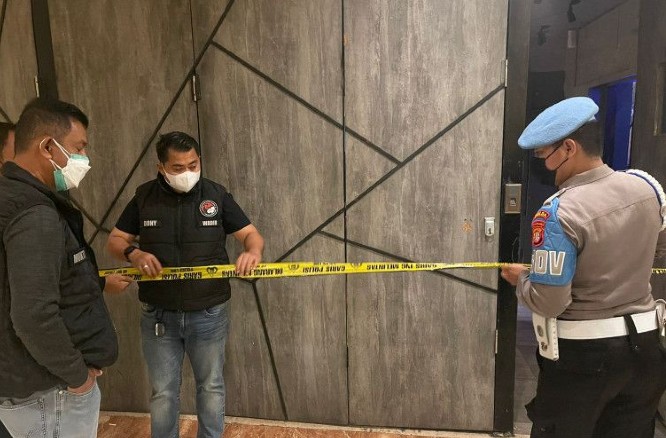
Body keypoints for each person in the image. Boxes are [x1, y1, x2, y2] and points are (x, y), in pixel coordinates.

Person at [501, 96, 666, 438]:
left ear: (568, 148)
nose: (542, 164)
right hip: (648, 351)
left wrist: (523, 278)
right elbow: (658, 249)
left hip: (585, 360)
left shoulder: (558, 213)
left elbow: (550, 302)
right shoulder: (647, 188)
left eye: (543, 155)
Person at [106, 131, 264, 438]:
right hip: (158, 314)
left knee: (211, 386)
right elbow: (115, 240)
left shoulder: (216, 195)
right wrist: (133, 253)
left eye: (193, 165)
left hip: (209, 312)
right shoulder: (144, 197)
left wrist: (253, 251)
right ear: (161, 167)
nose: (187, 173)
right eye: (178, 168)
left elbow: (250, 234)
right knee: (163, 392)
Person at [0, 98, 131, 437]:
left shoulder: (14, 199)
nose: (84, 159)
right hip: (51, 393)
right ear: (48, 147)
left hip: (37, 385)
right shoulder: (34, 215)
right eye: (78, 148)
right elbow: (33, 315)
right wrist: (78, 377)